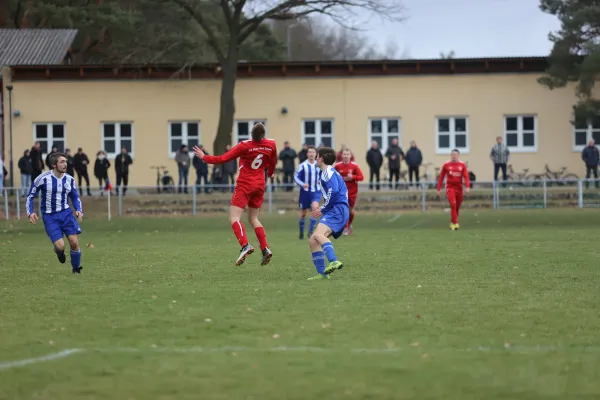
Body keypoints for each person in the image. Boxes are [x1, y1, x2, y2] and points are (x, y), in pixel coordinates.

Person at [192, 123, 277, 266]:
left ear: (251, 134)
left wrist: (204, 157)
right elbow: (272, 162)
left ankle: (245, 245)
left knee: (234, 217)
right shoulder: (271, 144)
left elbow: (222, 159)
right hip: (260, 185)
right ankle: (265, 248)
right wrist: (269, 173)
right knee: (254, 218)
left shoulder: (244, 145)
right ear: (264, 135)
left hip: (245, 184)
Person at [26, 153, 84, 274]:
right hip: (50, 217)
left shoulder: (69, 179)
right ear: (54, 165)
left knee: (74, 242)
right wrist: (30, 212)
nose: (65, 164)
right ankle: (59, 252)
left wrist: (78, 209)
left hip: (66, 214)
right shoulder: (42, 178)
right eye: (62, 162)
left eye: (65, 161)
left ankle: (76, 269)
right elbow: (31, 196)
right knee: (60, 246)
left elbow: (74, 196)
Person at [307, 147, 349, 281]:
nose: (315, 158)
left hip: (337, 209)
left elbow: (334, 191)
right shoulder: (326, 172)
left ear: (321, 158)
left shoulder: (327, 172)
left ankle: (334, 261)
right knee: (313, 240)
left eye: (317, 156)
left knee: (318, 235)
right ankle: (323, 273)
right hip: (337, 209)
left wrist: (323, 209)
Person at [437, 149, 470, 231]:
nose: (454, 156)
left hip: (459, 188)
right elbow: (441, 177)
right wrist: (438, 188)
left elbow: (466, 176)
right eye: (452, 154)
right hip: (450, 188)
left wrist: (467, 186)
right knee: (453, 205)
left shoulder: (462, 165)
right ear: (451, 155)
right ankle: (455, 223)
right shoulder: (446, 165)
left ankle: (453, 222)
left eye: (455, 154)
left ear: (458, 156)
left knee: (457, 207)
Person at [334, 148, 364, 235]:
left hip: (352, 192)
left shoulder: (355, 166)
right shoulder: (337, 166)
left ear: (350, 156)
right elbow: (333, 177)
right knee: (344, 209)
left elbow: (361, 177)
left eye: (347, 154)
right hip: (342, 192)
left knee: (350, 211)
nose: (346, 156)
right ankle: (345, 228)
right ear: (341, 156)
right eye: (344, 154)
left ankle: (349, 224)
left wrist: (353, 177)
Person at [294, 146, 321, 239]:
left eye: (313, 152)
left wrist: (321, 181)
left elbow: (324, 175)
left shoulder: (319, 165)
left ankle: (310, 232)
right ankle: (301, 233)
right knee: (303, 213)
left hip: (316, 191)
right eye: (310, 152)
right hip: (305, 192)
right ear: (307, 154)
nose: (311, 154)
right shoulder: (302, 165)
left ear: (316, 154)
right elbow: (296, 177)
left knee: (315, 209)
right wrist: (302, 184)